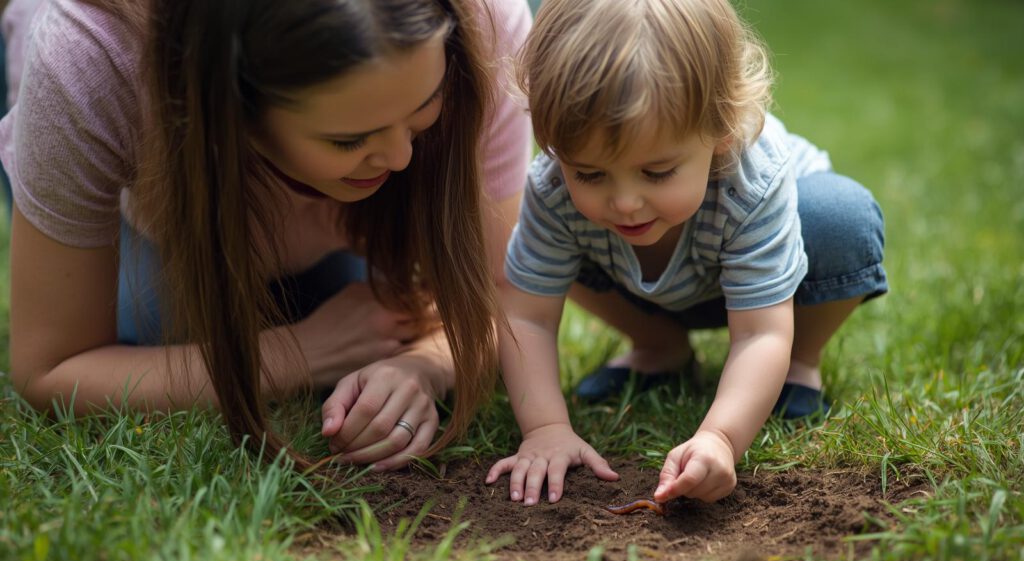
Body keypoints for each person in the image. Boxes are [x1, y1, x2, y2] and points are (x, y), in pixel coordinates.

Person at [1, 0, 532, 469]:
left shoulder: (479, 25)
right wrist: (304, 350)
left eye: (424, 112)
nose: (401, 157)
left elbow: (509, 302)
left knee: (327, 294)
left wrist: (424, 364)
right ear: (235, 107)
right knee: (157, 319)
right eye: (349, 138)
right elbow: (50, 367)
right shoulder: (91, 58)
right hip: (141, 203)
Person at [485, 0, 887, 506]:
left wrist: (720, 437)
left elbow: (760, 331)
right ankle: (660, 348)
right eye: (589, 173)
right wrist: (544, 427)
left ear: (720, 132)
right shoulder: (553, 188)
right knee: (551, 244)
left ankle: (799, 364)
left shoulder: (752, 183)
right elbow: (528, 315)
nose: (626, 201)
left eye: (656, 173)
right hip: (643, 279)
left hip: (777, 293)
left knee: (839, 217)